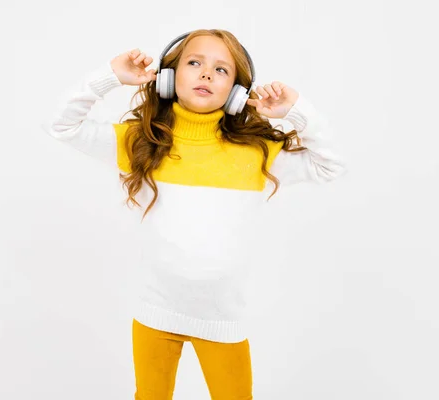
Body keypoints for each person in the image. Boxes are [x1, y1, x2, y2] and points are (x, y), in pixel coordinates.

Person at [42, 28, 346, 400]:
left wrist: (296, 110)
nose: (205, 74)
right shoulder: (141, 142)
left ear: (237, 94)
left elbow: (331, 166)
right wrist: (109, 77)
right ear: (169, 77)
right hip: (155, 313)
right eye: (194, 62)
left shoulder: (257, 154)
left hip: (222, 320)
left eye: (221, 70)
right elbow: (62, 127)